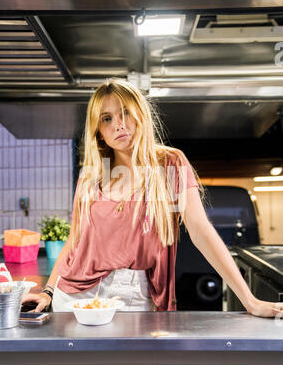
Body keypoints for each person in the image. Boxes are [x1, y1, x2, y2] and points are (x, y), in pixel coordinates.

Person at [22, 78, 283, 317]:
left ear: (140, 115)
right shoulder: (92, 173)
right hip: (75, 296)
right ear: (98, 130)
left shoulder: (167, 165)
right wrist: (49, 291)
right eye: (107, 118)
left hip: (135, 295)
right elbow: (76, 238)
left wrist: (250, 301)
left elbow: (200, 231)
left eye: (125, 112)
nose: (119, 124)